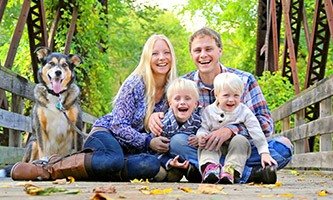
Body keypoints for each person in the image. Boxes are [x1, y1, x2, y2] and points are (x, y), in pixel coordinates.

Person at [10, 34, 178, 182]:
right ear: (147, 57)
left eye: (166, 52)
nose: (161, 58)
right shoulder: (135, 83)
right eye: (155, 53)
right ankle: (47, 169)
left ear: (172, 56)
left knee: (149, 164)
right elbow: (118, 125)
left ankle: (102, 170)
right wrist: (148, 141)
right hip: (106, 134)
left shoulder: (173, 90)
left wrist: (169, 160)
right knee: (113, 160)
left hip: (129, 151)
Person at [150, 27, 293, 184]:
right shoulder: (184, 85)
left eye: (209, 49)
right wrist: (155, 116)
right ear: (191, 54)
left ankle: (207, 170)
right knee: (177, 142)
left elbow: (265, 124)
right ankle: (248, 174)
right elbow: (169, 124)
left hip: (240, 148)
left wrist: (231, 131)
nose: (203, 55)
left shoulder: (244, 80)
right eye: (197, 50)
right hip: (204, 149)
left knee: (283, 148)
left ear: (220, 51)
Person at [197, 72, 277, 184]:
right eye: (226, 95)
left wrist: (264, 152)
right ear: (216, 95)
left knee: (241, 140)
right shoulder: (209, 111)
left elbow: (256, 131)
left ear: (241, 95)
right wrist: (201, 136)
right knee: (208, 142)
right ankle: (211, 169)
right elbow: (203, 128)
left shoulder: (244, 111)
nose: (231, 100)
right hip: (215, 147)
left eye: (236, 95)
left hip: (236, 149)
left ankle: (230, 170)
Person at [153, 78, 202, 182]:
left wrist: (200, 139)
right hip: (174, 160)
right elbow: (155, 152)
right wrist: (169, 162)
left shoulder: (199, 121)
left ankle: (209, 169)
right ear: (170, 104)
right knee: (175, 143)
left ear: (196, 104)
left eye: (187, 98)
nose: (182, 102)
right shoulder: (163, 124)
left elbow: (207, 136)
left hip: (194, 156)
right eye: (177, 99)